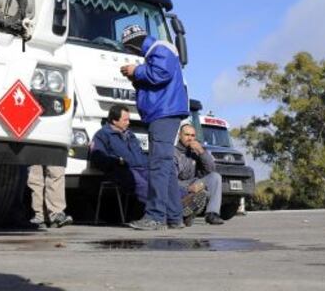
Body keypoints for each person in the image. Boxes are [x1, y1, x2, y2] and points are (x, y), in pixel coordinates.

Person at [119, 24, 190, 230]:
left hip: (163, 113)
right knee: (165, 168)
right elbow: (156, 81)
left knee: (158, 166)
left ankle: (155, 217)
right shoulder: (157, 52)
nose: (131, 53)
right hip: (162, 114)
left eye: (129, 49)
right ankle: (174, 217)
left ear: (134, 44)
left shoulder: (160, 49)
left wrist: (137, 70)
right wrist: (136, 78)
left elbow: (161, 74)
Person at [89, 104, 149, 207]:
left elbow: (140, 153)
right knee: (143, 186)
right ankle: (159, 213)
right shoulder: (102, 135)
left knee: (161, 179)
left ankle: (183, 202)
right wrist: (117, 161)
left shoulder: (130, 135)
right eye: (125, 120)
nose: (128, 123)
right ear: (114, 121)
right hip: (123, 170)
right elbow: (97, 158)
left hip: (142, 168)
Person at [176, 123, 225, 225]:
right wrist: (188, 189)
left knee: (215, 177)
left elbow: (211, 169)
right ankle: (183, 213)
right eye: (187, 135)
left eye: (193, 135)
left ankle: (212, 214)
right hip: (179, 187)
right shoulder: (174, 153)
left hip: (194, 182)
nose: (190, 138)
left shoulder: (196, 151)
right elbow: (169, 180)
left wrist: (201, 152)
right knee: (198, 193)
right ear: (180, 136)